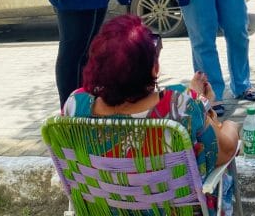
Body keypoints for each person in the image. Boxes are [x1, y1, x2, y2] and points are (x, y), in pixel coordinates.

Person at [63, 14, 240, 215]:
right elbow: (224, 152)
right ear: (154, 68)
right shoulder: (179, 107)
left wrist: (198, 102)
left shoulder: (75, 105)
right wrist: (230, 125)